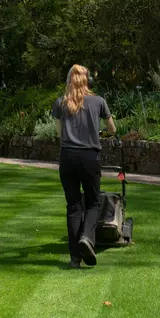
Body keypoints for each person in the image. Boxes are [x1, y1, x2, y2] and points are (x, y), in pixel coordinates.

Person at [52, 64, 116, 269]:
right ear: (88, 81)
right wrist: (105, 134)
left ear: (69, 80)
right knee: (93, 202)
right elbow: (112, 128)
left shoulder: (60, 103)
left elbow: (59, 133)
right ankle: (87, 238)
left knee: (73, 206)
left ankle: (75, 259)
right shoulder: (98, 101)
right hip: (89, 156)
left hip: (67, 158)